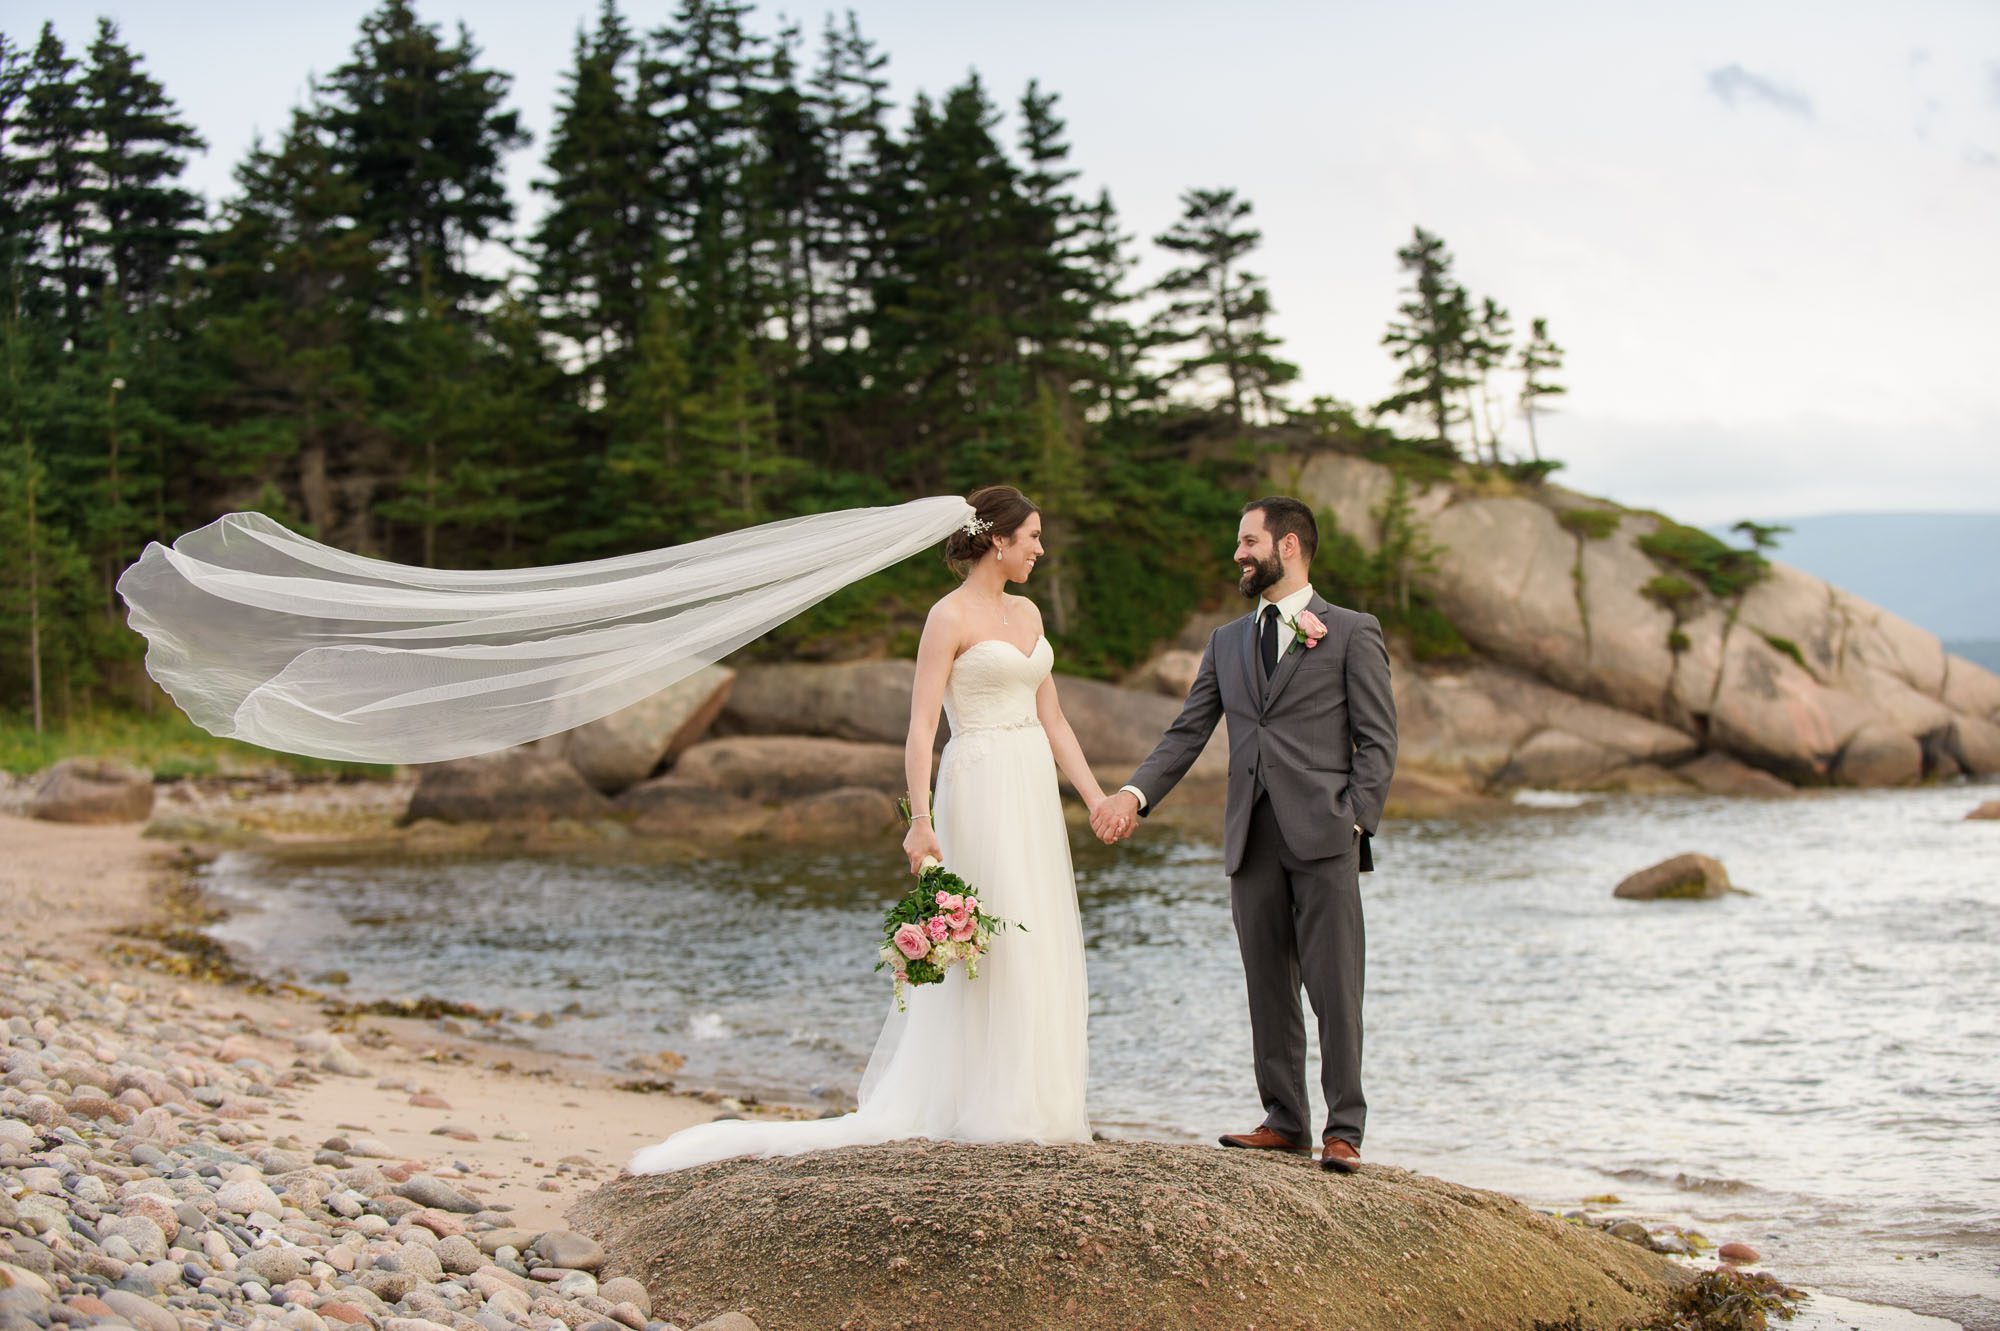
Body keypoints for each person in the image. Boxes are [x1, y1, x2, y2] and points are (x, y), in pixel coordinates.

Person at [627, 485, 1101, 1172]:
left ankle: (1035, 1099)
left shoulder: (1028, 612)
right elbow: (921, 726)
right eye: (1031, 536)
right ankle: (985, 1101)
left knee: (1036, 928)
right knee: (992, 932)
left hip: (1030, 785)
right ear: (998, 539)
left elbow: (1053, 717)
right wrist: (920, 821)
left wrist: (1095, 797)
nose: (1040, 549)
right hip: (979, 782)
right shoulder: (947, 616)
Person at [1091, 497, 1396, 1174]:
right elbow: (1187, 732)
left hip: (1325, 833)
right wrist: (1134, 795)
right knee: (1267, 984)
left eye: (1249, 541)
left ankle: (1345, 1129)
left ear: (1288, 546)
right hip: (1249, 833)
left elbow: (1378, 739)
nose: (1238, 553)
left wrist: (1354, 818)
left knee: (1335, 985)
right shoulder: (1226, 641)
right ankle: (1285, 1121)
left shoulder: (1352, 631)